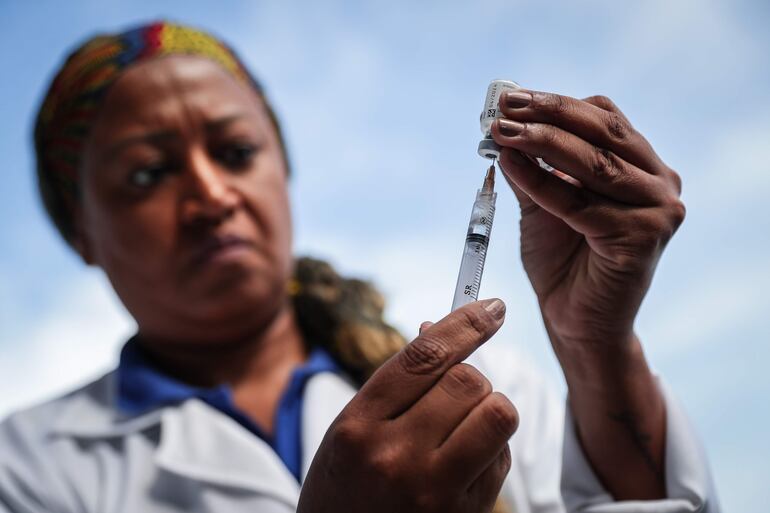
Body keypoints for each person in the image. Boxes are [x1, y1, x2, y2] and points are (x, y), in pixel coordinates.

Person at [0, 21, 718, 513]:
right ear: (80, 232)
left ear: (284, 169)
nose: (211, 195)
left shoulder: (489, 388)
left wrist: (596, 343)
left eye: (236, 152)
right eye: (147, 174)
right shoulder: (24, 469)